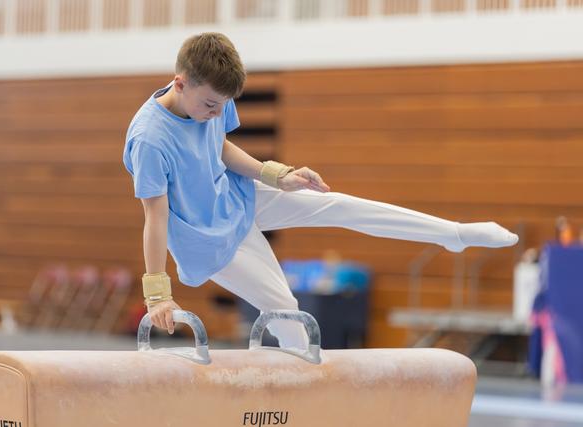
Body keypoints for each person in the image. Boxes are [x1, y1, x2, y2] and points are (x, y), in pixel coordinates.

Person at [123, 32, 518, 349]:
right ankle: (301, 391)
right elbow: (155, 217)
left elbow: (218, 146)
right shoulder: (150, 141)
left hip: (234, 197)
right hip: (204, 238)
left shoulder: (208, 94)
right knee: (287, 313)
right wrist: (158, 294)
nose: (215, 113)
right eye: (210, 105)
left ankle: (453, 235)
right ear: (180, 82)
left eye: (221, 106)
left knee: (335, 204)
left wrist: (278, 176)